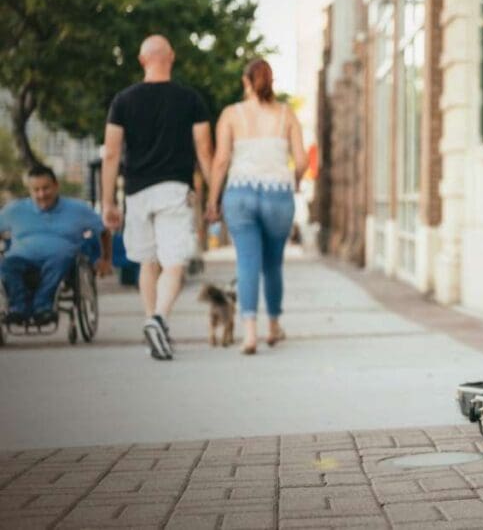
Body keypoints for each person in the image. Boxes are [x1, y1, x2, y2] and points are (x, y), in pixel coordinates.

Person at [102, 35, 213, 360]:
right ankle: (159, 319)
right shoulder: (191, 99)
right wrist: (213, 196)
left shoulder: (123, 100)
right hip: (174, 190)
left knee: (147, 262)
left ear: (141, 60)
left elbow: (111, 153)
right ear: (172, 57)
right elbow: (204, 151)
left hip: (137, 192)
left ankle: (153, 323)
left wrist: (108, 201)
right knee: (174, 263)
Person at [204, 58, 307, 355]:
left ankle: (249, 335)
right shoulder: (287, 115)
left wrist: (213, 200)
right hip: (278, 195)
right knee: (273, 264)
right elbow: (301, 161)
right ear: (271, 81)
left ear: (246, 82)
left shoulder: (230, 115)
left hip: (240, 194)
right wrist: (296, 180)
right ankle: (273, 327)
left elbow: (221, 160)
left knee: (247, 261)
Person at [0, 165, 113, 325]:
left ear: (56, 186)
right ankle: (18, 308)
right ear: (30, 190)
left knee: (60, 258)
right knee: (7, 264)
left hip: (60, 260)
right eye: (36, 190)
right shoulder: (15, 210)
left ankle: (42, 307)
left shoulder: (77, 209)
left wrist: (106, 259)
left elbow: (103, 230)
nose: (41, 194)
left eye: (46, 188)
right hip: (21, 259)